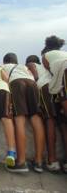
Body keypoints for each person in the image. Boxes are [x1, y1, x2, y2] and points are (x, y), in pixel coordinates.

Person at [1, 53, 45, 173]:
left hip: (16, 84)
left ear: (5, 61)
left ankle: (21, 162)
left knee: (19, 120)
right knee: (36, 118)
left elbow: (3, 82)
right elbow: (34, 76)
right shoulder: (23, 67)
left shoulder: (3, 67)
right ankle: (39, 162)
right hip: (32, 84)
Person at [26, 54, 60, 172]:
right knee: (56, 121)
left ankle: (52, 160)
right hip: (55, 88)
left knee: (49, 120)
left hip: (45, 89)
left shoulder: (31, 64)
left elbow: (34, 77)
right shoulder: (45, 69)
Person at [41, 35, 67, 173]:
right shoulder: (64, 54)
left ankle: (52, 160)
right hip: (61, 87)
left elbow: (52, 72)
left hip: (52, 86)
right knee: (63, 123)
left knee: (50, 120)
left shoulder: (46, 55)